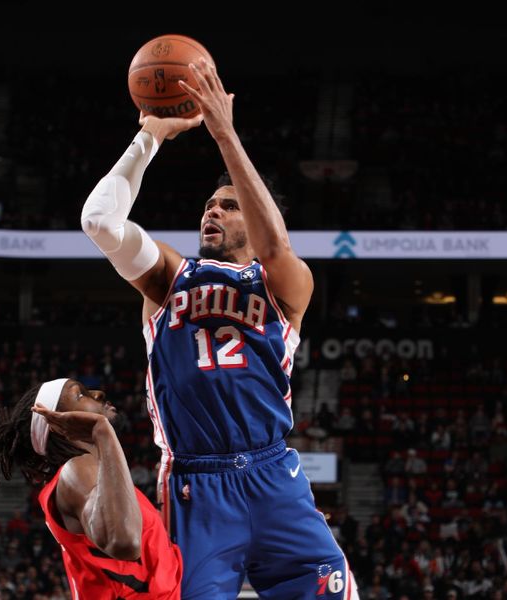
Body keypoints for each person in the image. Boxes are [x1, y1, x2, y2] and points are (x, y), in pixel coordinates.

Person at [81, 58, 357, 599]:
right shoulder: (167, 278)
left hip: (274, 472)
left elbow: (275, 245)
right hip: (195, 483)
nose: (213, 210)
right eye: (210, 203)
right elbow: (99, 222)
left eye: (229, 206)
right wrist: (148, 138)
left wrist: (224, 133)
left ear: (255, 218)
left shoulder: (285, 285)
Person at [0, 378, 182, 599]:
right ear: (60, 426)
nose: (98, 394)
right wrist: (102, 433)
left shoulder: (91, 474)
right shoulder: (77, 470)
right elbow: (124, 541)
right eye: (80, 395)